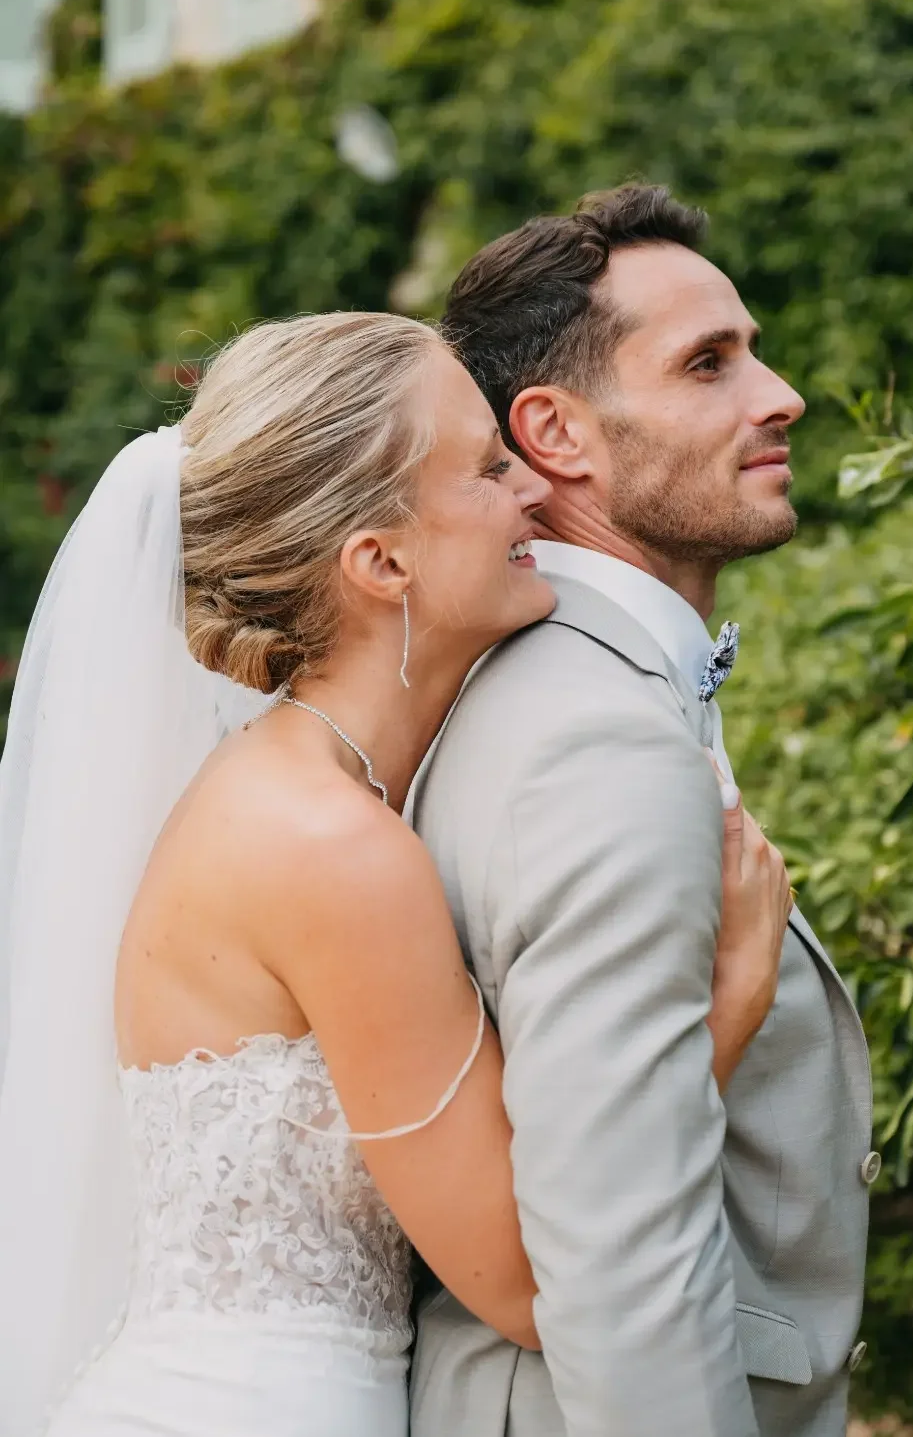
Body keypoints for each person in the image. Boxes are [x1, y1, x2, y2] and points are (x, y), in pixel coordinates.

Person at [0, 309, 787, 1437]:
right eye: (484, 467)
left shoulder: (300, 791)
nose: (531, 492)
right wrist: (726, 1010)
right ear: (380, 561)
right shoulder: (331, 847)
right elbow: (525, 1281)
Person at [408, 186, 877, 1437]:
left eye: (754, 351)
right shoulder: (592, 736)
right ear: (554, 433)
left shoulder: (567, 680)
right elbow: (619, 1254)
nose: (776, 395)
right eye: (708, 365)